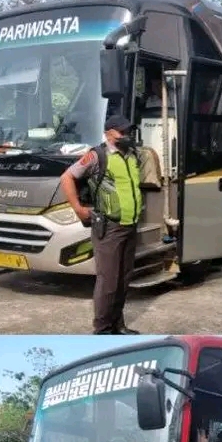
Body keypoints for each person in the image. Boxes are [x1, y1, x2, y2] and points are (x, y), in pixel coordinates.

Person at [59, 114, 143, 335]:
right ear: (108, 134)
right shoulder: (97, 156)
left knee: (124, 279)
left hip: (130, 225)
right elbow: (67, 177)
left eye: (128, 132)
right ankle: (103, 329)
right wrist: (78, 209)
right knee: (109, 281)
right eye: (122, 132)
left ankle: (118, 324)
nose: (127, 136)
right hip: (109, 227)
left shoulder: (132, 155)